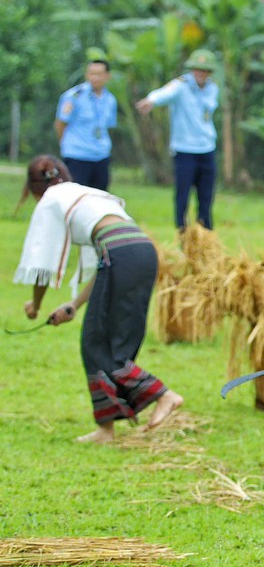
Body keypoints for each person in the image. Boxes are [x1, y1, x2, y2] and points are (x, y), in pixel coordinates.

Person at [12, 156, 184, 443]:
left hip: (120, 255)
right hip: (143, 252)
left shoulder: (51, 200)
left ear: (33, 188)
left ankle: (161, 396)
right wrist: (74, 305)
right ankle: (108, 426)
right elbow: (105, 262)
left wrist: (36, 305)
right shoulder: (85, 193)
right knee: (111, 342)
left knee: (97, 344)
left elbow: (43, 263)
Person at [135, 49, 220, 231]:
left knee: (206, 197)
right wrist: (150, 100)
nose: (200, 73)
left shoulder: (213, 88)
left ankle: (206, 235)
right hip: (185, 150)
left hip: (207, 148)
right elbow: (163, 93)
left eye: (204, 70)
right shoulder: (180, 85)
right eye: (196, 69)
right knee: (182, 196)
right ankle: (182, 234)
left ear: (210, 72)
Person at [55, 60, 118, 191]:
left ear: (107, 76)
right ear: (86, 75)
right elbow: (60, 123)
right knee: (76, 199)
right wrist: (65, 144)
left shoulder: (110, 100)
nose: (95, 78)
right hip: (77, 155)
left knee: (100, 199)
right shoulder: (74, 96)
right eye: (92, 74)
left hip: (101, 155)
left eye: (99, 74)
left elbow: (108, 127)